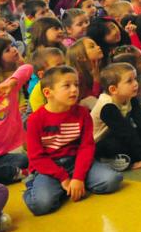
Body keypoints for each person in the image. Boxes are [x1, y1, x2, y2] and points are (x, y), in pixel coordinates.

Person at [22, 66, 123, 216]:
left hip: (76, 161)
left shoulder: (82, 113)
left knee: (112, 180)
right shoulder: (35, 120)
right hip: (49, 167)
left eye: (76, 85)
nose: (74, 89)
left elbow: (86, 147)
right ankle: (40, 185)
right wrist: (64, 178)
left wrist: (78, 177)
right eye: (67, 86)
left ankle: (70, 187)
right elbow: (36, 157)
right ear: (48, 93)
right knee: (41, 204)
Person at [91, 64, 141, 172]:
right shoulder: (107, 106)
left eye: (135, 79)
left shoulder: (129, 97)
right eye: (129, 81)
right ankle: (109, 160)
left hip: (116, 134)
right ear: (113, 89)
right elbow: (126, 133)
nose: (136, 83)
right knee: (116, 144)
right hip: (99, 143)